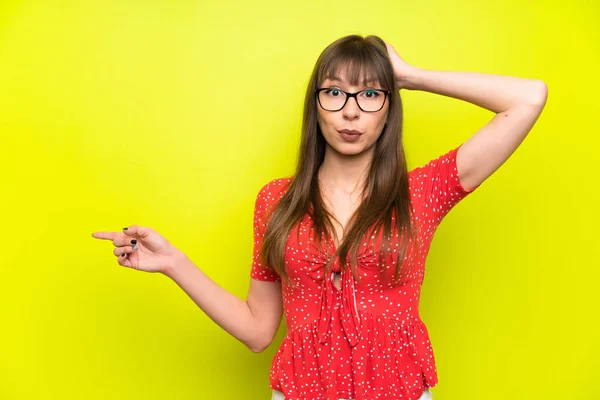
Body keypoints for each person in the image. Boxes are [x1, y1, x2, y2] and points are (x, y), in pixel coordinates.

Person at [92, 34, 548, 400]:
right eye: (335, 93)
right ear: (315, 105)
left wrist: (409, 75)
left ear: (390, 108)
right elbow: (256, 331)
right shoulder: (277, 200)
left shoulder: (421, 193)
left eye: (370, 94)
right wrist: (174, 262)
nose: (351, 110)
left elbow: (528, 98)